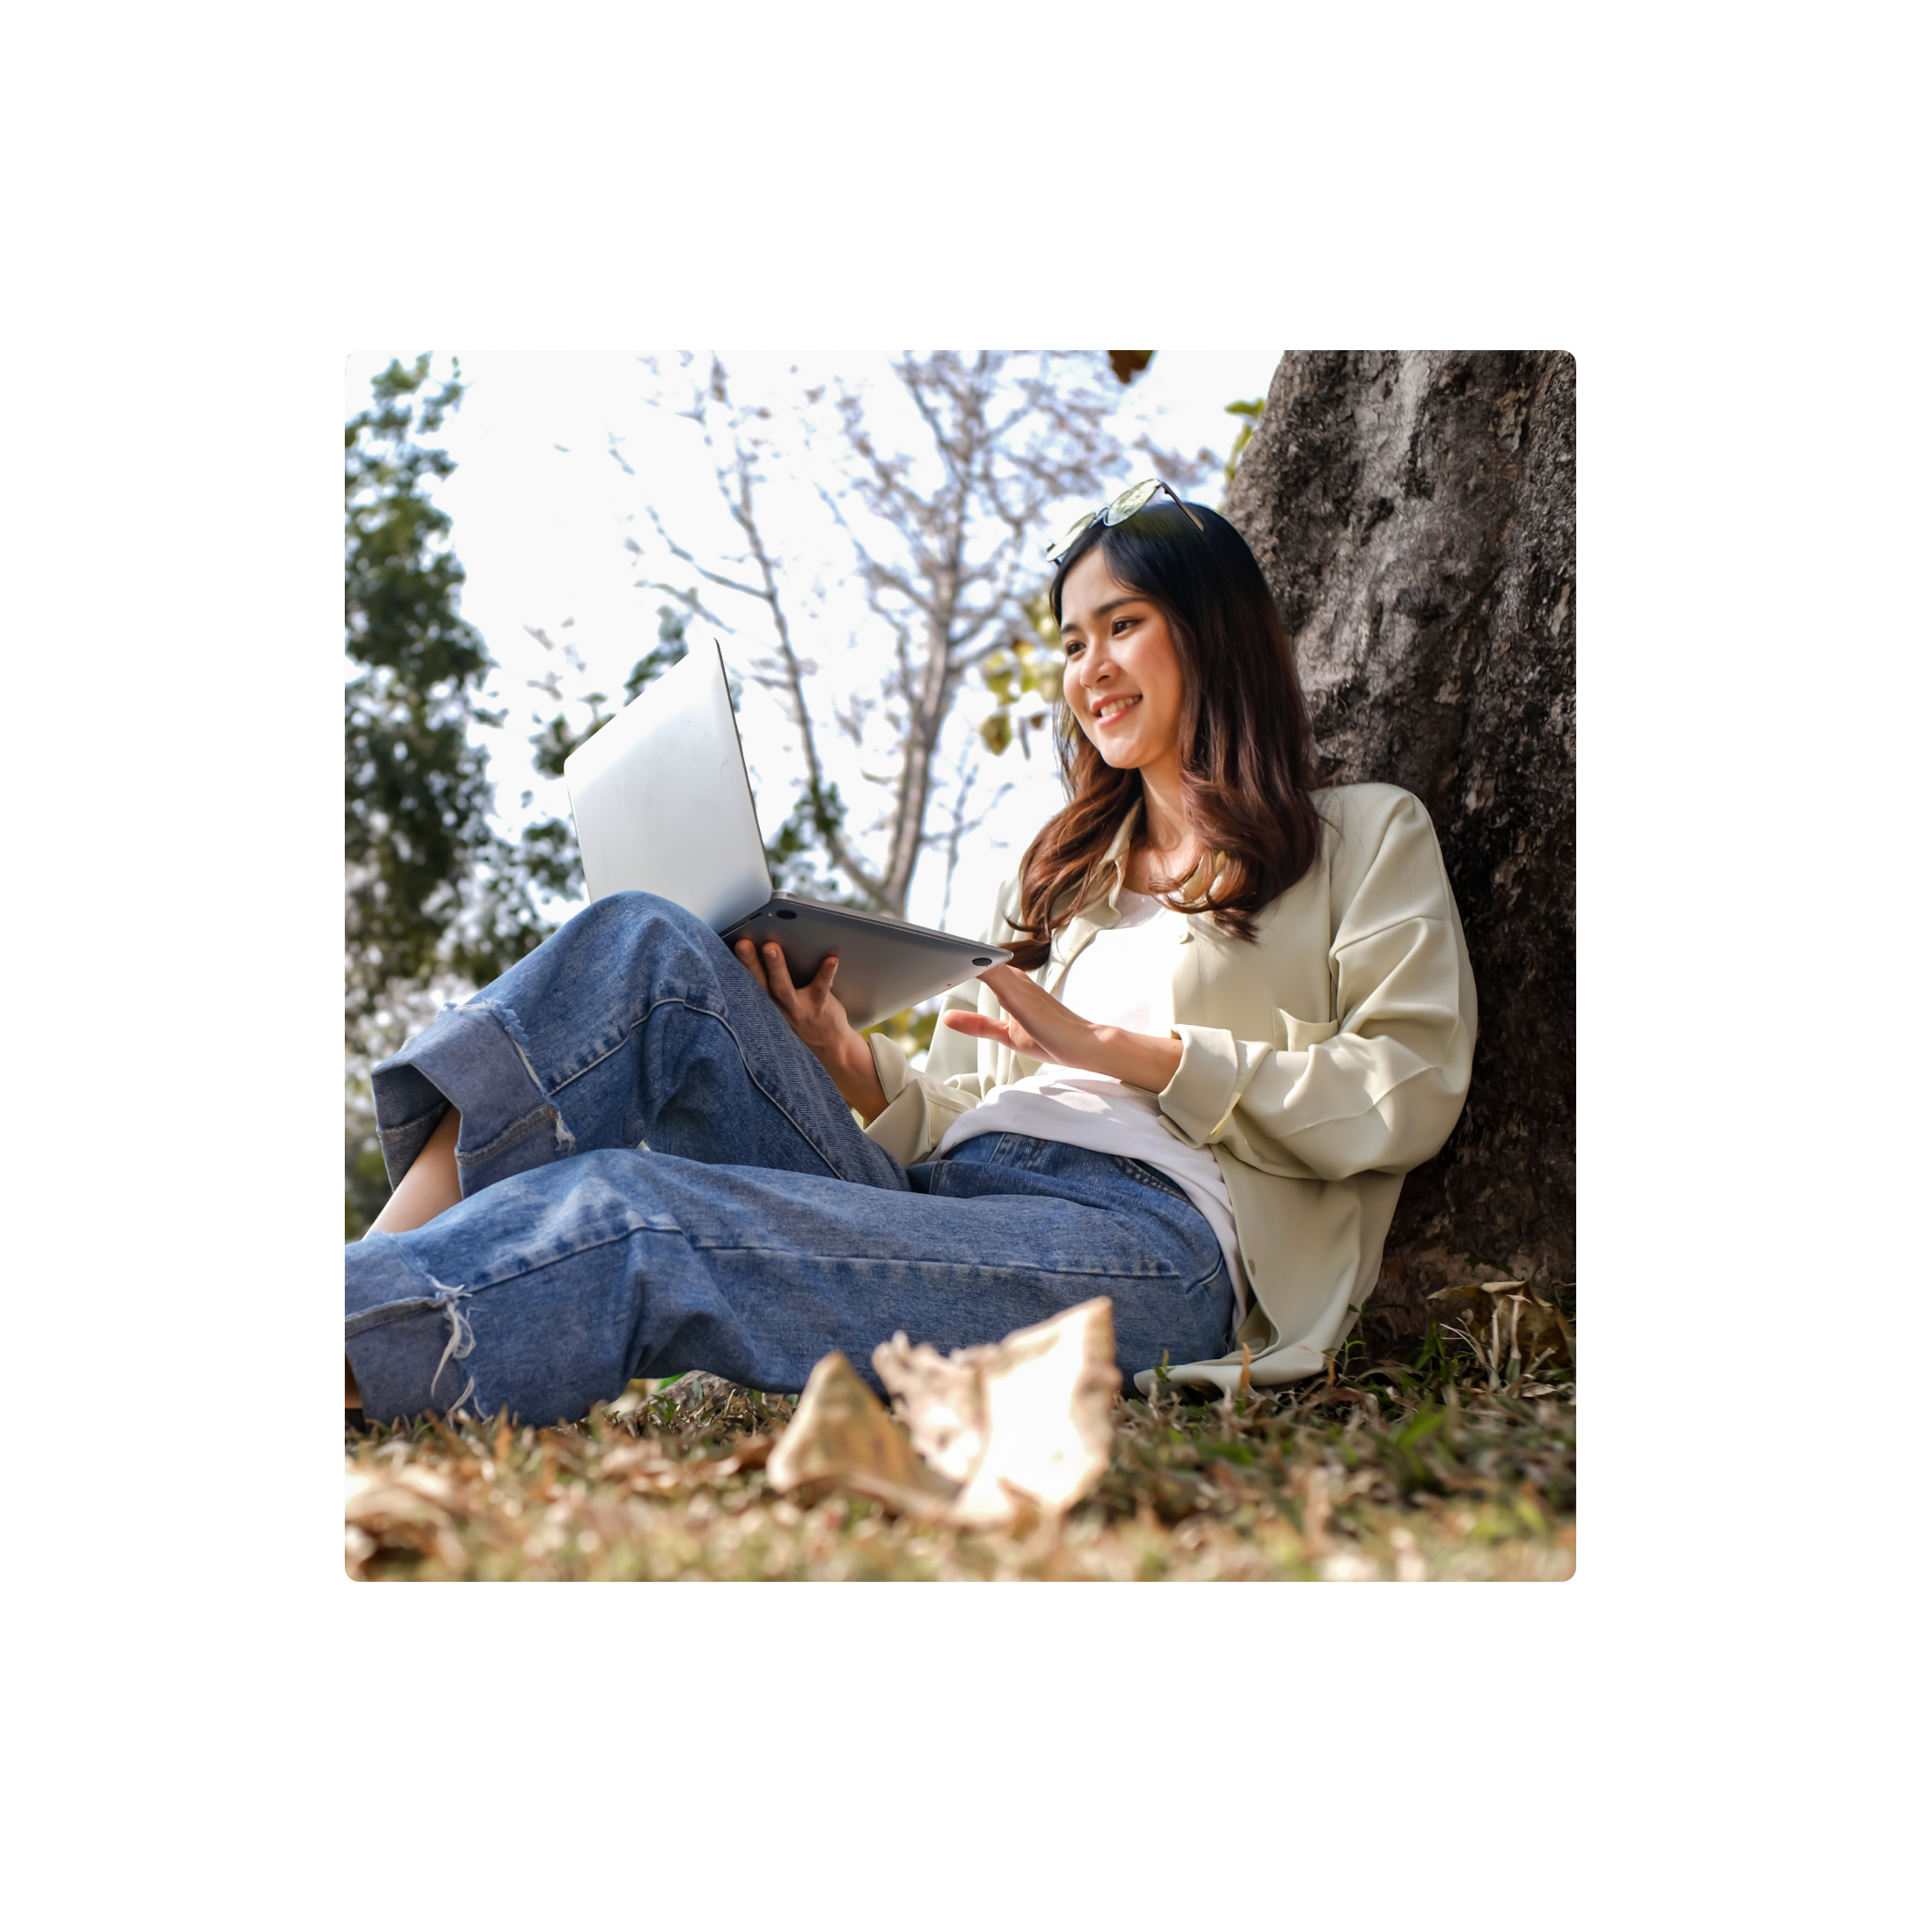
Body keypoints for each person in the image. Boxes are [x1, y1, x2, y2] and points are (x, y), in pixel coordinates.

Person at [345, 484, 1475, 1427]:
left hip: (1152, 1244)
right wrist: (848, 1062)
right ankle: (370, 1268)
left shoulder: (1363, 836)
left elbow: (1408, 1089)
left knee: (635, 1215)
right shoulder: (1053, 877)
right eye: (1073, 642)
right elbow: (954, 1110)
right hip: (948, 1192)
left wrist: (1130, 1052)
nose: (1091, 670)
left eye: (1122, 625)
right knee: (648, 937)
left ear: (1214, 626)